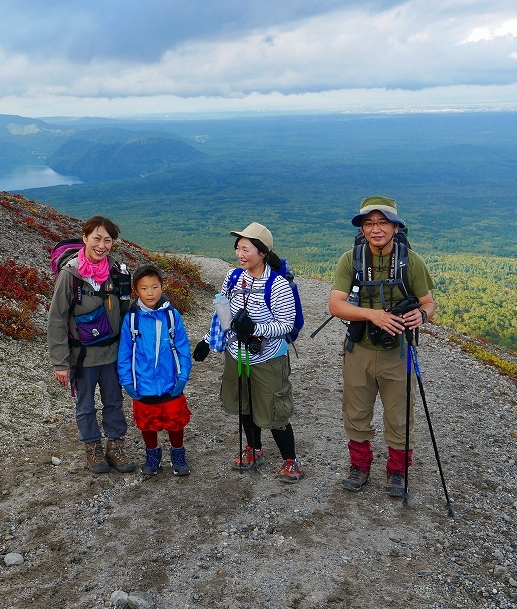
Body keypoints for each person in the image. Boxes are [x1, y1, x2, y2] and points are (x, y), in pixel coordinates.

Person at [327, 196, 436, 497]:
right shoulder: (350, 259)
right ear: (362, 228)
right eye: (369, 223)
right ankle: (360, 467)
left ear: (396, 226)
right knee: (356, 412)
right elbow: (335, 304)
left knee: (400, 414)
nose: (375, 229)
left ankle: (397, 472)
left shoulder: (411, 262)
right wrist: (372, 314)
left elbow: (428, 303)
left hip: (398, 351)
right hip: (358, 348)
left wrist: (422, 315)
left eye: (382, 222)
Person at [194, 222, 302, 483]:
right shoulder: (233, 277)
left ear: (263, 253)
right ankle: (254, 448)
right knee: (244, 404)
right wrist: (208, 341)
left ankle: (291, 460)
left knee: (274, 410)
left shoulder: (277, 285)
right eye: (238, 248)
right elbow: (223, 312)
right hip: (236, 353)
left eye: (247, 249)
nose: (241, 254)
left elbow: (287, 323)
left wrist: (256, 328)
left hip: (268, 357)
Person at [48, 216, 136, 474]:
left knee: (114, 401)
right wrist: (60, 363)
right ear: (84, 238)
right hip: (82, 357)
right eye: (96, 238)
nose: (102, 245)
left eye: (107, 240)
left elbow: (124, 312)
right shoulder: (70, 275)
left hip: (111, 354)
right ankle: (92, 448)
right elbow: (56, 320)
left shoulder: (117, 272)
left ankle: (115, 446)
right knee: (85, 405)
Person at [118, 264, 193, 477]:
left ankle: (178, 454)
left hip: (170, 381)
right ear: (136, 290)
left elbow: (182, 347)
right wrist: (127, 381)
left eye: (154, 287)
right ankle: (153, 454)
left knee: (175, 419)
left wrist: (182, 376)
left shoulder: (171, 315)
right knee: (147, 422)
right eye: (144, 288)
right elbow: (125, 352)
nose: (150, 292)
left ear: (162, 287)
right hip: (143, 382)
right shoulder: (132, 319)